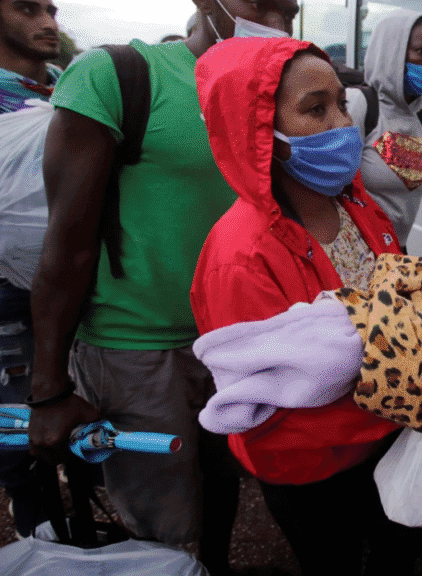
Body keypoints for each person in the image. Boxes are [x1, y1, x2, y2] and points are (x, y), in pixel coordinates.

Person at [190, 37, 422, 575]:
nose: (342, 124)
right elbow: (270, 410)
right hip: (313, 471)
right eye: (314, 109)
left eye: (341, 103)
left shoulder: (355, 205)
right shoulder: (241, 257)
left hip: (386, 443)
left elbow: (403, 297)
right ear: (262, 136)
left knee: (396, 552)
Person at [27, 1, 298, 573]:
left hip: (232, 345)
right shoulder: (118, 76)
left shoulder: (268, 90)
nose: (274, 23)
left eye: (288, 11)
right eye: (259, 4)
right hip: (137, 352)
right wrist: (48, 387)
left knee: (223, 488)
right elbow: (67, 242)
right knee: (161, 527)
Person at [0, 0, 60, 539]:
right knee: (18, 418)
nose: (47, 21)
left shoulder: (70, 91)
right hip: (7, 291)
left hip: (80, 278)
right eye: (27, 9)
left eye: (51, 8)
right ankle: (38, 527)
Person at [345, 8, 422, 248]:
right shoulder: (361, 106)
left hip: (397, 251)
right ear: (392, 53)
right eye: (420, 51)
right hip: (358, 252)